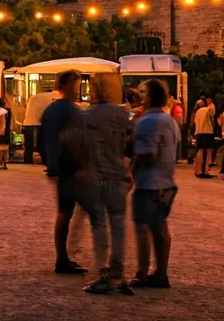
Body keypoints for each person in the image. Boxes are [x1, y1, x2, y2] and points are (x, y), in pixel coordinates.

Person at [79, 73, 134, 295]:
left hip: (96, 175)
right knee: (118, 225)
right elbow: (129, 144)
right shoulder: (122, 114)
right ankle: (118, 271)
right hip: (117, 175)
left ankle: (101, 271)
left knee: (99, 224)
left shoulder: (87, 115)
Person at [131, 79, 179, 288]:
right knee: (160, 227)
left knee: (143, 228)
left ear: (150, 95)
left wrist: (130, 172)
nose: (138, 95)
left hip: (149, 182)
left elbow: (147, 154)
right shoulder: (169, 120)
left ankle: (142, 272)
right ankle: (161, 272)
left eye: (142, 92)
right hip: (166, 181)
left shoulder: (147, 122)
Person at [41, 70, 87, 275]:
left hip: (60, 166)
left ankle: (65, 256)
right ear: (67, 85)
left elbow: (42, 141)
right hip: (70, 166)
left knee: (67, 211)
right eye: (76, 85)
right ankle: (63, 257)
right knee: (67, 212)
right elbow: (77, 139)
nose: (79, 90)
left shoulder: (50, 110)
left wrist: (50, 163)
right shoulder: (71, 111)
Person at [24, 89, 54, 164]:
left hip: (27, 122)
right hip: (39, 123)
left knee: (28, 145)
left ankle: (28, 160)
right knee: (41, 143)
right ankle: (45, 160)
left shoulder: (33, 97)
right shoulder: (51, 98)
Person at [192, 96, 216, 178]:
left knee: (200, 150)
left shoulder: (196, 112)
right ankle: (204, 171)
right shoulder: (206, 110)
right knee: (207, 151)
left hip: (198, 132)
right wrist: (211, 104)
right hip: (207, 132)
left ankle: (198, 170)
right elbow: (213, 112)